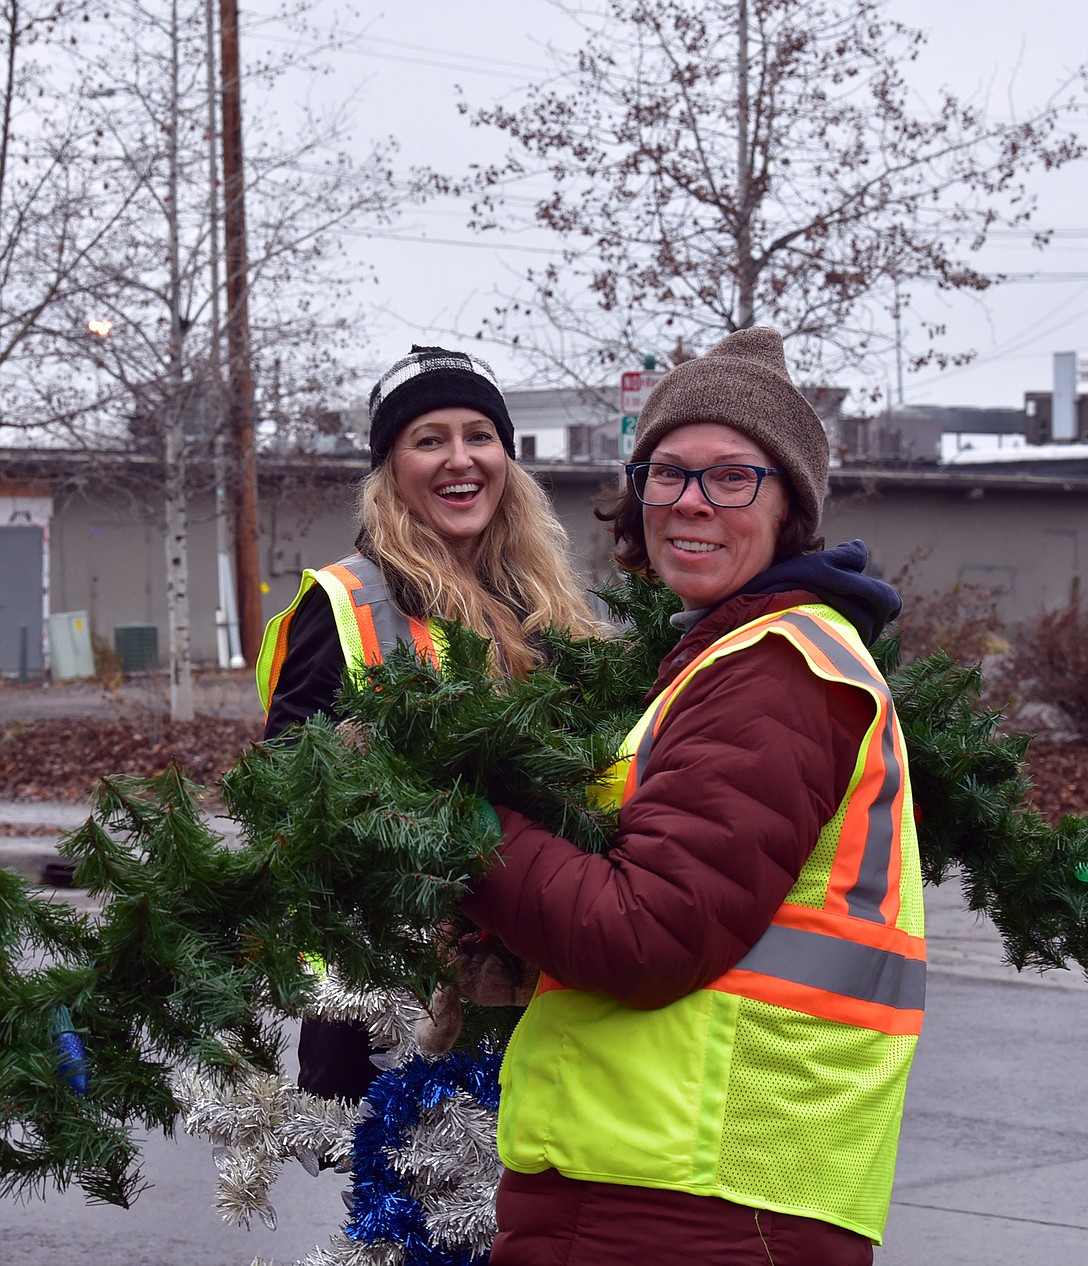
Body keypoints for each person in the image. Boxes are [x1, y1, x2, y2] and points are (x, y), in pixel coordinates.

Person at [459, 327, 925, 1265]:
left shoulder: (779, 672)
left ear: (791, 503)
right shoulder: (725, 659)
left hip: (691, 1194)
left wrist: (456, 823)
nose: (690, 503)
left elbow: (647, 932)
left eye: (733, 477)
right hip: (671, 1176)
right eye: (666, 473)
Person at [255, 344, 602, 1102]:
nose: (461, 459)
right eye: (429, 439)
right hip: (400, 997)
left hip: (542, 980)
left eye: (480, 435)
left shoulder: (552, 606)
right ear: (391, 468)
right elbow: (286, 792)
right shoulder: (347, 601)